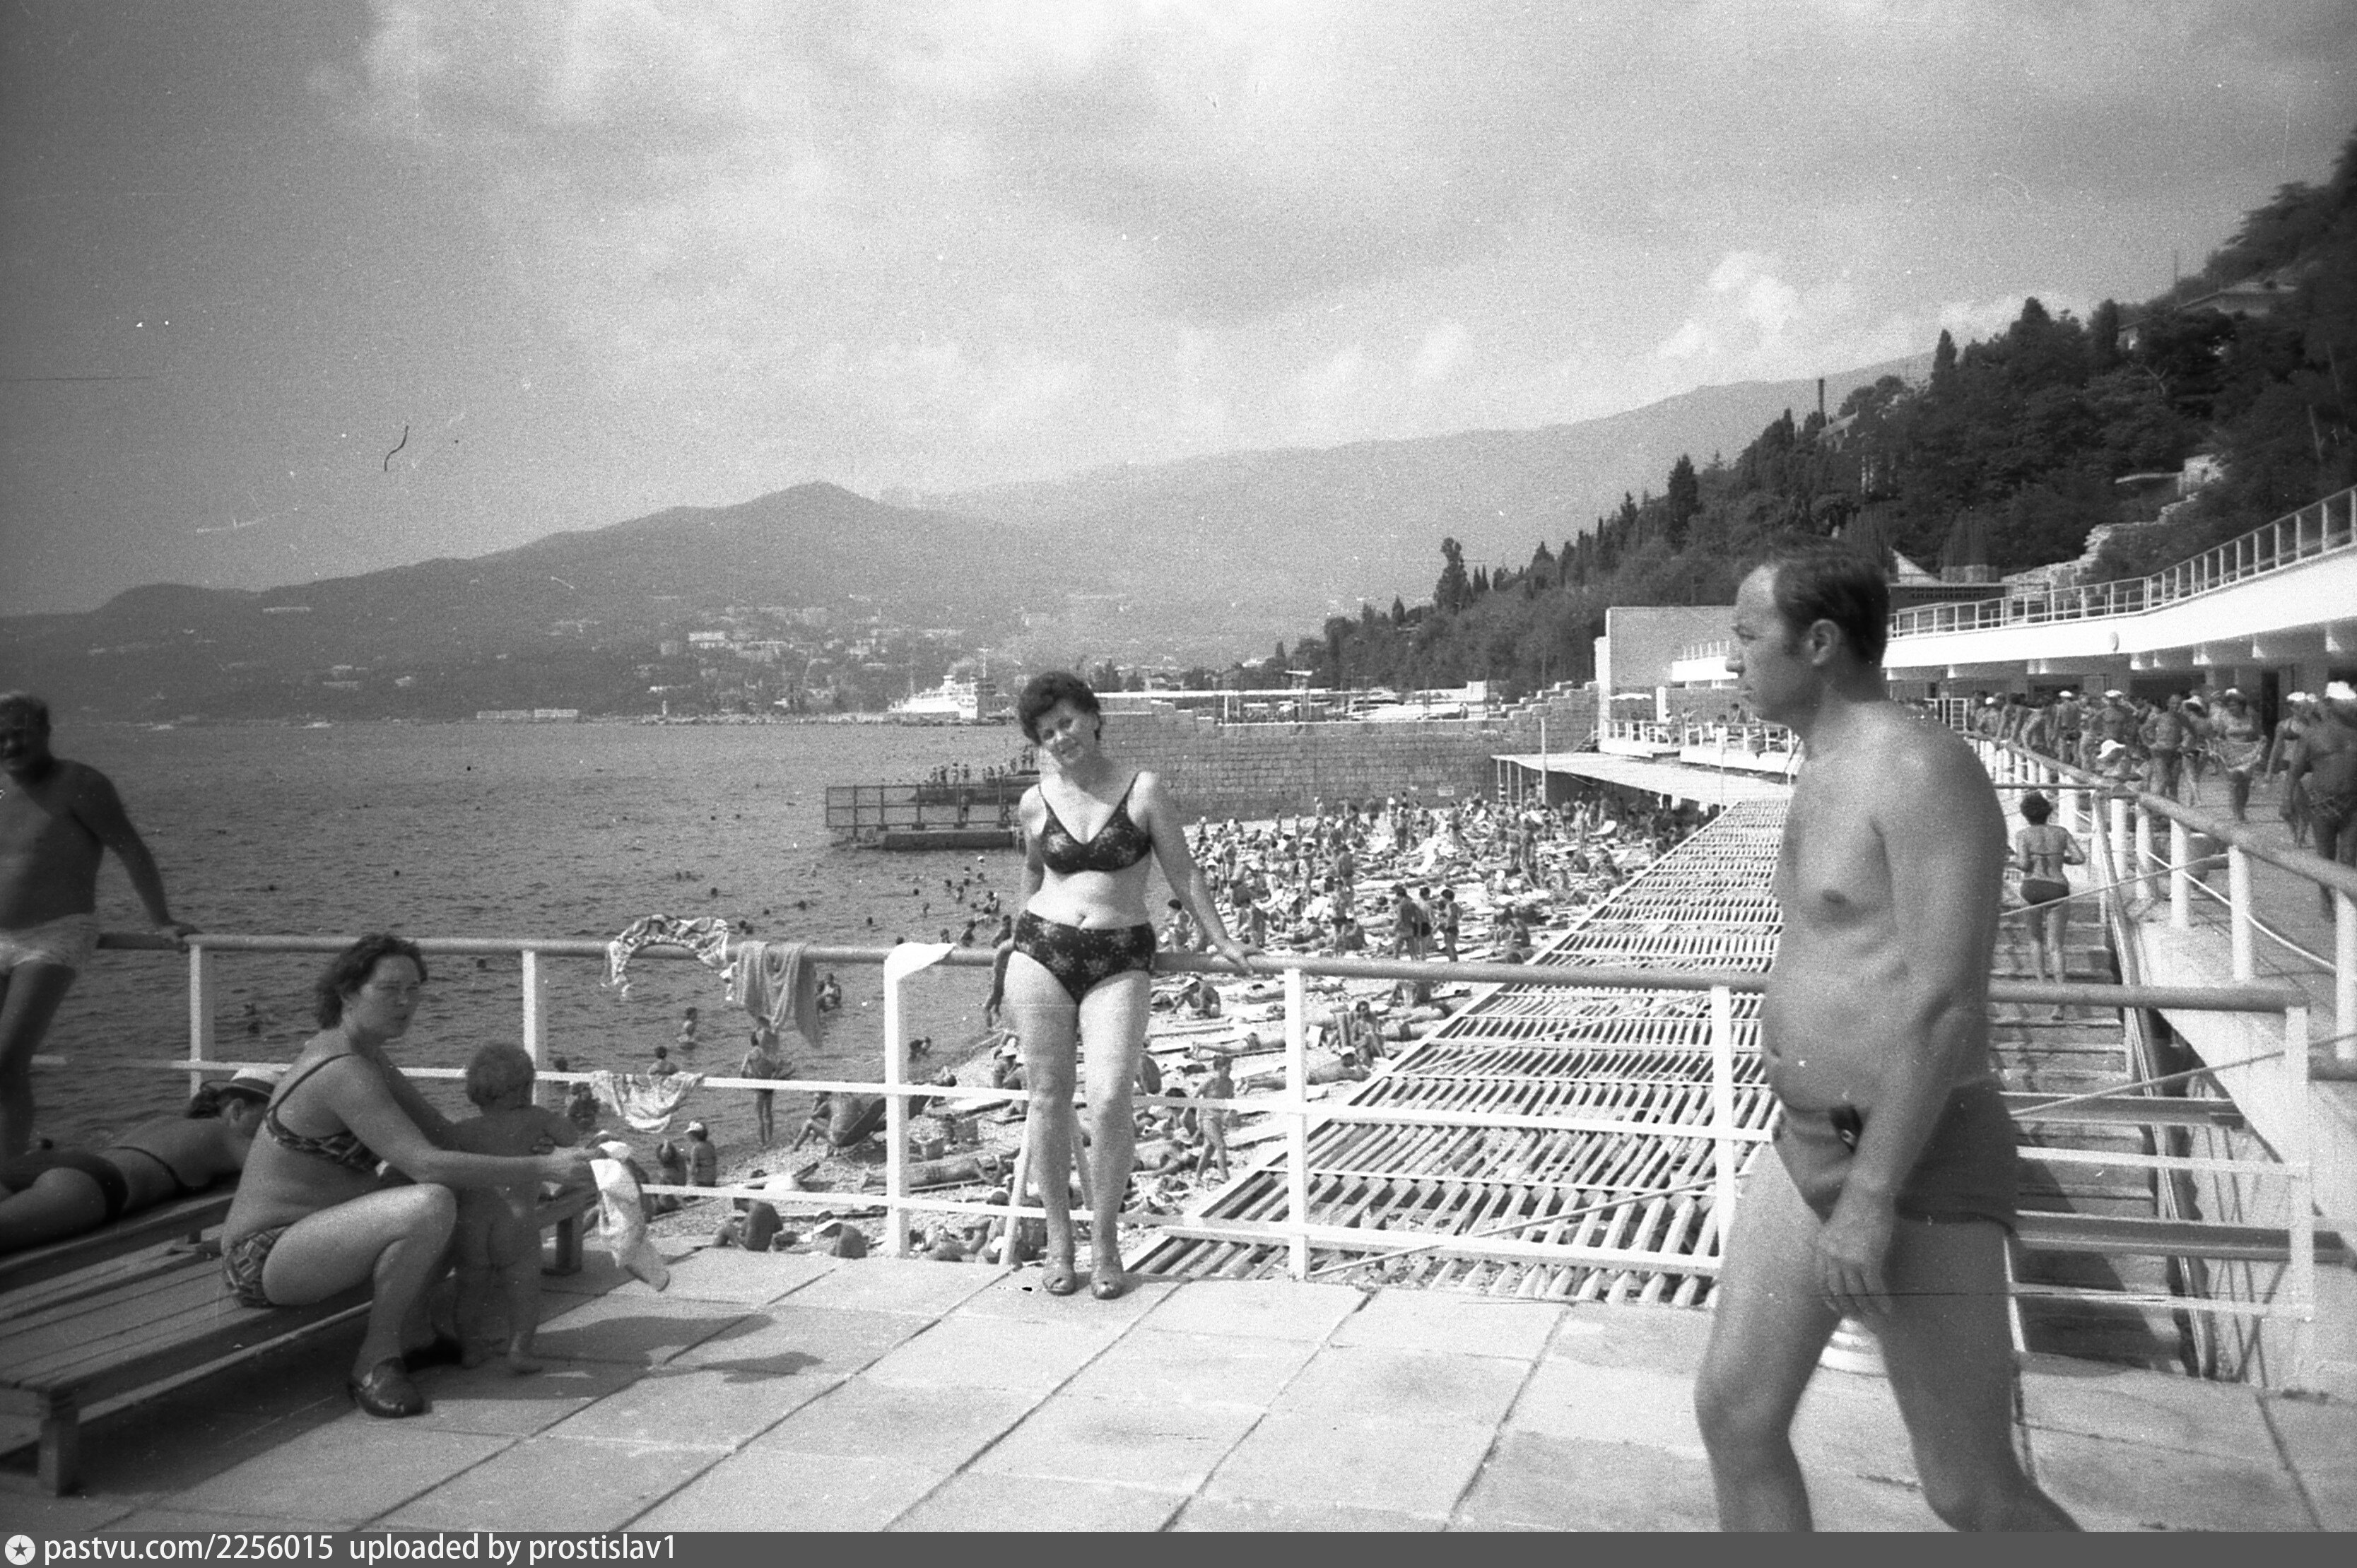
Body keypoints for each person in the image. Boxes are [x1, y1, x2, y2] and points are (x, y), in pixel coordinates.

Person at [1695, 541, 2076, 1531]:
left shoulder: (1918, 769)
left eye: (1746, 634)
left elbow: (1947, 1000)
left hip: (1912, 1154)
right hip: (1806, 1140)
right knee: (1735, 1416)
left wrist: (1869, 1196)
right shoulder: (1821, 765)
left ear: (1817, 641)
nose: (1730, 656)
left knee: (1967, 1486)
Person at [218, 935, 592, 1420]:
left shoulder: (367, 1055)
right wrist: (543, 1167)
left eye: (414, 989)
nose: (406, 1002)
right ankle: (374, 1360)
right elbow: (427, 1163)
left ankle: (414, 1333)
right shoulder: (341, 1068)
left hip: (318, 1238)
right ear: (347, 993)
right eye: (389, 989)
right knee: (431, 1200)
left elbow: (443, 1134)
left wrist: (528, 1138)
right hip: (265, 1256)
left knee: (450, 1191)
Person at [1003, 672, 1252, 1299]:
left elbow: (1183, 872)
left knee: (1111, 1096)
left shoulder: (1143, 790)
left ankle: (1106, 1238)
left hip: (1118, 955)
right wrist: (1008, 941)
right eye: (1046, 732)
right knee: (1046, 1098)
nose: (1060, 738)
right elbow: (1032, 872)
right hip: (1040, 952)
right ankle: (1059, 1240)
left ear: (1093, 717)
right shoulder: (1034, 801)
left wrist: (1221, 939)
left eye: (1066, 722)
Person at [0, 692, 198, 1157]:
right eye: (0, 736)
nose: (9, 745)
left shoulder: (79, 783)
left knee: (6, 1060)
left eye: (20, 733)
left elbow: (130, 849)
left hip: (53, 935)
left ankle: (7, 1172)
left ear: (45, 732)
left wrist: (162, 920)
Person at [0, 1068, 276, 1252]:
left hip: (55, 1162)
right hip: (96, 1184)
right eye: (269, 1118)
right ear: (237, 1109)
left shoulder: (165, 1123)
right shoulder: (226, 1136)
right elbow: (281, 1172)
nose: (271, 1129)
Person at [444, 1044, 580, 1374]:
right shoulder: (536, 1119)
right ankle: (520, 1350)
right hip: (516, 1223)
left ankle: (470, 1348)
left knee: (469, 1291)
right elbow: (570, 1137)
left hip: (471, 1226)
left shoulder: (463, 1130)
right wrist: (559, 1123)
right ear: (525, 1087)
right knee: (524, 1292)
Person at [2283, 681, 2357, 914]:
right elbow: (2294, 771)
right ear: (2330, 704)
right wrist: (2286, 801)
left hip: (2354, 803)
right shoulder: (2312, 735)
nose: (2351, 707)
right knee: (2325, 855)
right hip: (2321, 801)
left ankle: (2347, 906)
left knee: (2349, 857)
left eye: (2352, 703)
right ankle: (2326, 899)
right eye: (2346, 703)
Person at [2013, 792, 2085, 1021]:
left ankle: (2043, 990)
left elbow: (2024, 865)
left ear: (2026, 815)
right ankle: (2059, 1004)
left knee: (2035, 941)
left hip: (2032, 887)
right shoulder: (2061, 832)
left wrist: (2019, 861)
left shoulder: (2023, 835)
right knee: (2056, 947)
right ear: (2047, 812)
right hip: (2057, 888)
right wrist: (2061, 859)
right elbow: (2080, 858)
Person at [2209, 690, 2266, 824]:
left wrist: (2262, 740)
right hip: (2231, 753)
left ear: (2241, 705)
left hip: (2247, 753)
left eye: (2234, 705)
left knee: (2245, 785)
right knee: (2234, 784)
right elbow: (2220, 735)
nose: (2231, 708)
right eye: (2229, 706)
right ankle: (2237, 814)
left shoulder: (2251, 717)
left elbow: (2259, 733)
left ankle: (2242, 810)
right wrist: (2216, 747)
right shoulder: (2224, 717)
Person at [740, 1027, 788, 1148]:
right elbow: (778, 1068)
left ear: (752, 1042)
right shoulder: (768, 1054)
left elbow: (742, 1071)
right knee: (769, 1114)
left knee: (759, 1117)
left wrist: (749, 1081)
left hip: (759, 1087)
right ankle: (770, 1139)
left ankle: (763, 1143)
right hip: (769, 1086)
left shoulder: (750, 1055)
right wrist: (773, 1077)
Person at [685, 1120, 719, 1188]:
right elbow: (714, 1160)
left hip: (702, 1182)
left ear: (694, 1135)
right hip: (712, 1180)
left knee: (687, 1164)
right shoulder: (710, 1145)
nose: (688, 1136)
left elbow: (693, 1169)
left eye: (690, 1134)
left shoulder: (696, 1148)